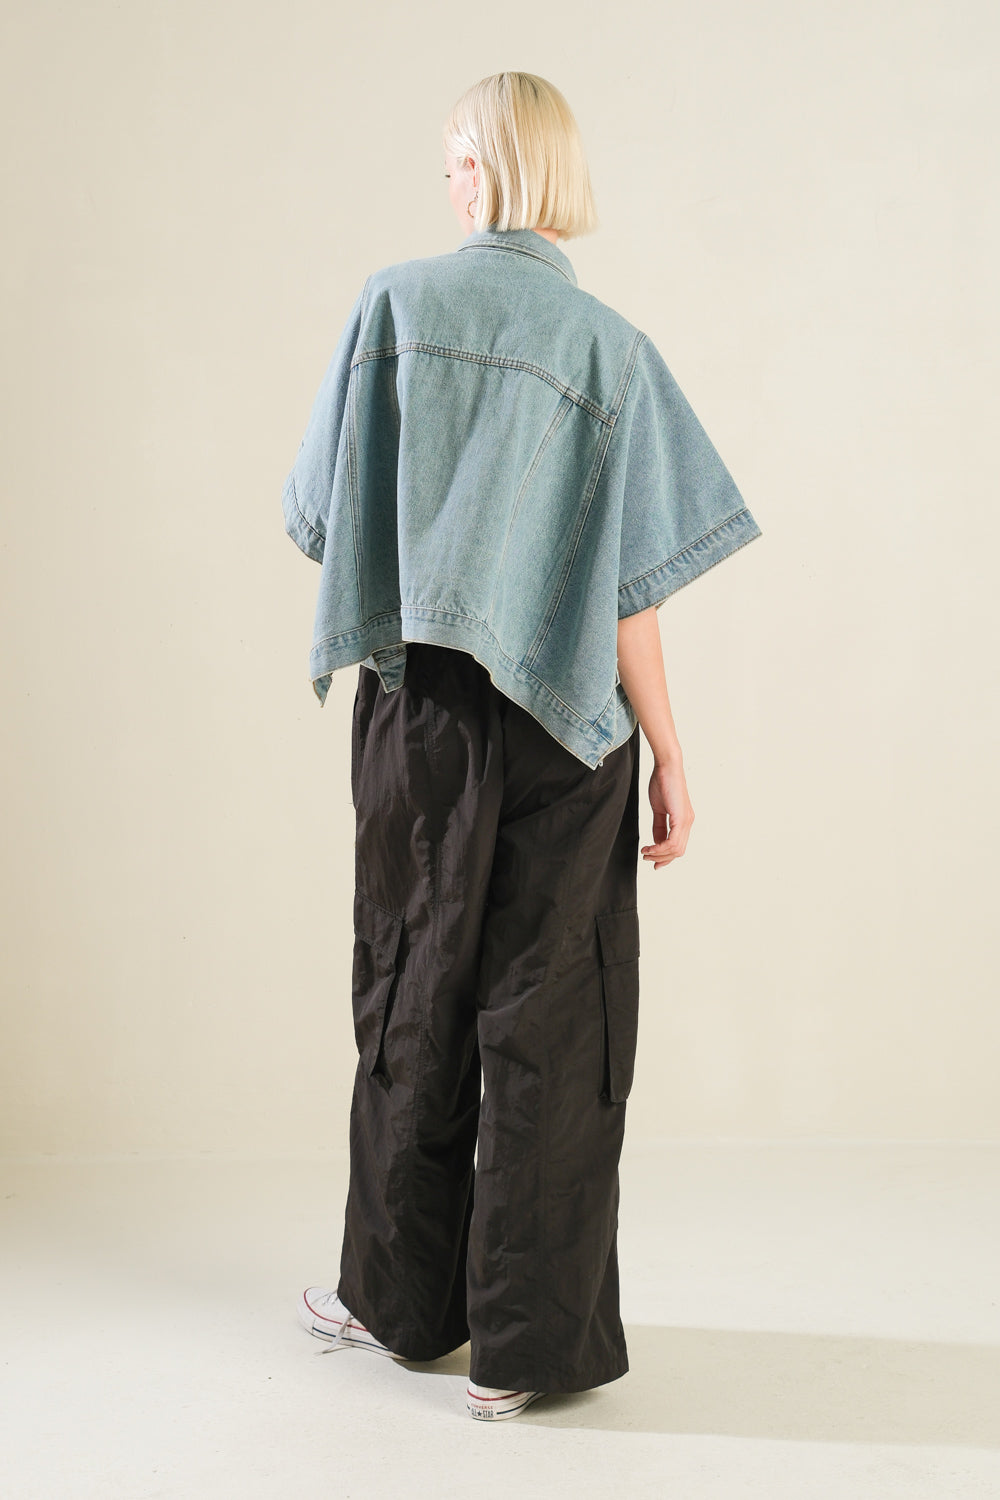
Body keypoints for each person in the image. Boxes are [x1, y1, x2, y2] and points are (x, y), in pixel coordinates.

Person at [282, 71, 762, 1422]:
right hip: (572, 722)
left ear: (493, 169)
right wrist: (671, 754)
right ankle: (525, 1357)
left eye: (457, 159)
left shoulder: (393, 308)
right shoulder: (613, 351)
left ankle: (397, 1306)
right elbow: (629, 592)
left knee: (408, 990)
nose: (448, 181)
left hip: (424, 715)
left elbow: (322, 514)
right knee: (558, 1012)